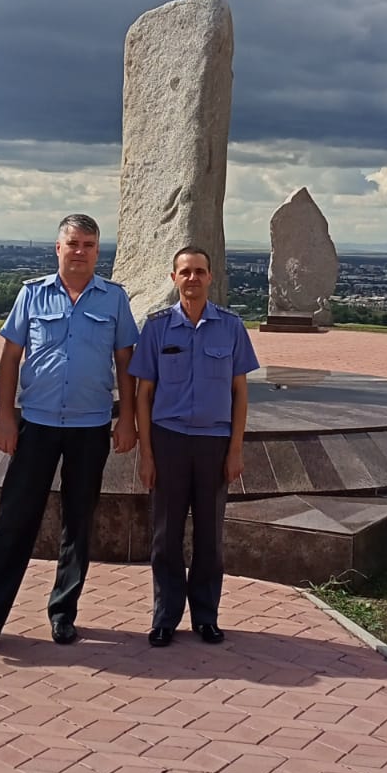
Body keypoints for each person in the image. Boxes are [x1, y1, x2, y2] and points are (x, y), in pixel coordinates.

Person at [0, 214, 137, 656]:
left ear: (97, 251)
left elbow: (126, 362)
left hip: (90, 426)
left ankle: (63, 613)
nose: (80, 251)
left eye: (89, 244)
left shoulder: (113, 299)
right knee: (13, 523)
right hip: (37, 424)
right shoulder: (32, 293)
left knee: (79, 524)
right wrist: (7, 418)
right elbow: (11, 358)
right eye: (73, 243)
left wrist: (127, 418)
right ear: (58, 248)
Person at [130, 247, 259, 648]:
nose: (192, 278)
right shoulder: (156, 328)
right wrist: (147, 455)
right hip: (169, 440)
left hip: (213, 442)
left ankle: (205, 617)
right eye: (185, 272)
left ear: (210, 277)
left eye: (200, 271)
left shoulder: (231, 327)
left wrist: (236, 449)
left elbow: (240, 393)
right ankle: (165, 617)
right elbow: (143, 395)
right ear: (174, 278)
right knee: (166, 535)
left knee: (209, 534)